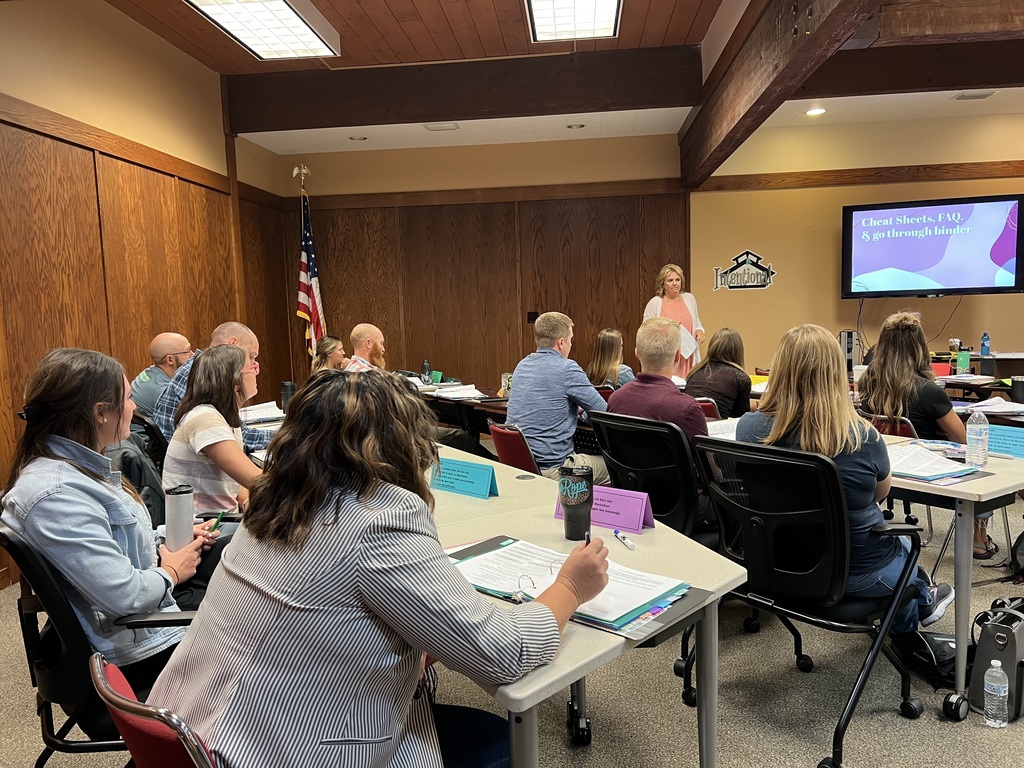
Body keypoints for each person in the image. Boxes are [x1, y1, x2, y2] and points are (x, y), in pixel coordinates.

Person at [148, 368, 609, 768]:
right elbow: (503, 654)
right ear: (399, 444)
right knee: (503, 742)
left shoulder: (275, 501)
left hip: (195, 731)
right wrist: (571, 586)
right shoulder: (380, 520)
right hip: (284, 750)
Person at [1, 348, 216, 690]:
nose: (135, 407)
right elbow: (125, 596)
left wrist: (167, 538)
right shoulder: (55, 494)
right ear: (100, 412)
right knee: (253, 619)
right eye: (128, 398)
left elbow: (114, 546)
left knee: (229, 561)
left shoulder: (76, 469)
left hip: (141, 624)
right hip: (136, 653)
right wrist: (172, 572)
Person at [736, 324, 954, 641]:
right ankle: (912, 627)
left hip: (776, 563)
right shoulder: (861, 436)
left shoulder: (748, 428)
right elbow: (880, 494)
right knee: (906, 547)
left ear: (779, 368)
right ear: (835, 373)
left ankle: (920, 596)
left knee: (904, 551)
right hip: (856, 573)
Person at [858, 311, 996, 559]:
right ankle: (978, 539)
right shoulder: (928, 391)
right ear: (919, 347)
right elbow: (963, 440)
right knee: (983, 461)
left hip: (883, 473)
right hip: (929, 476)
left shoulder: (867, 383)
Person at [607, 317, 712, 528]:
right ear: (677, 355)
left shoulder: (615, 400)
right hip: (681, 507)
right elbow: (708, 473)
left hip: (633, 501)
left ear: (636, 353)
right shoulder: (686, 408)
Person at [507, 311, 610, 484]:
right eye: (570, 340)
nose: (571, 345)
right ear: (561, 342)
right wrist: (583, 413)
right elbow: (604, 413)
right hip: (554, 470)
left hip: (520, 466)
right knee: (617, 468)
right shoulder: (567, 369)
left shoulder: (522, 365)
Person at [162, 345, 262, 516]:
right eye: (252, 366)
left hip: (220, 519)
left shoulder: (223, 416)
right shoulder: (206, 420)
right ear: (236, 384)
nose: (257, 371)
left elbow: (237, 478)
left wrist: (246, 500)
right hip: (203, 525)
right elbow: (256, 480)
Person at [152, 322, 273, 454]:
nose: (253, 366)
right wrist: (285, 438)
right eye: (251, 356)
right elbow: (233, 437)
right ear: (233, 344)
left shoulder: (200, 367)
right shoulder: (202, 374)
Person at [643, 263, 704, 379]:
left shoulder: (690, 299)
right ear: (663, 283)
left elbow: (696, 321)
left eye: (678, 280)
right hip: (666, 357)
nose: (675, 283)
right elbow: (646, 331)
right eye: (670, 280)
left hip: (688, 356)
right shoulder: (655, 303)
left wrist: (699, 330)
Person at [683, 327, 752, 418]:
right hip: (718, 425)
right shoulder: (740, 378)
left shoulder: (694, 372)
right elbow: (741, 416)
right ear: (738, 351)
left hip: (687, 423)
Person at [130, 332, 193, 417]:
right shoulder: (163, 393)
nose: (192, 355)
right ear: (170, 359)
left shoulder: (152, 371)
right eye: (187, 351)